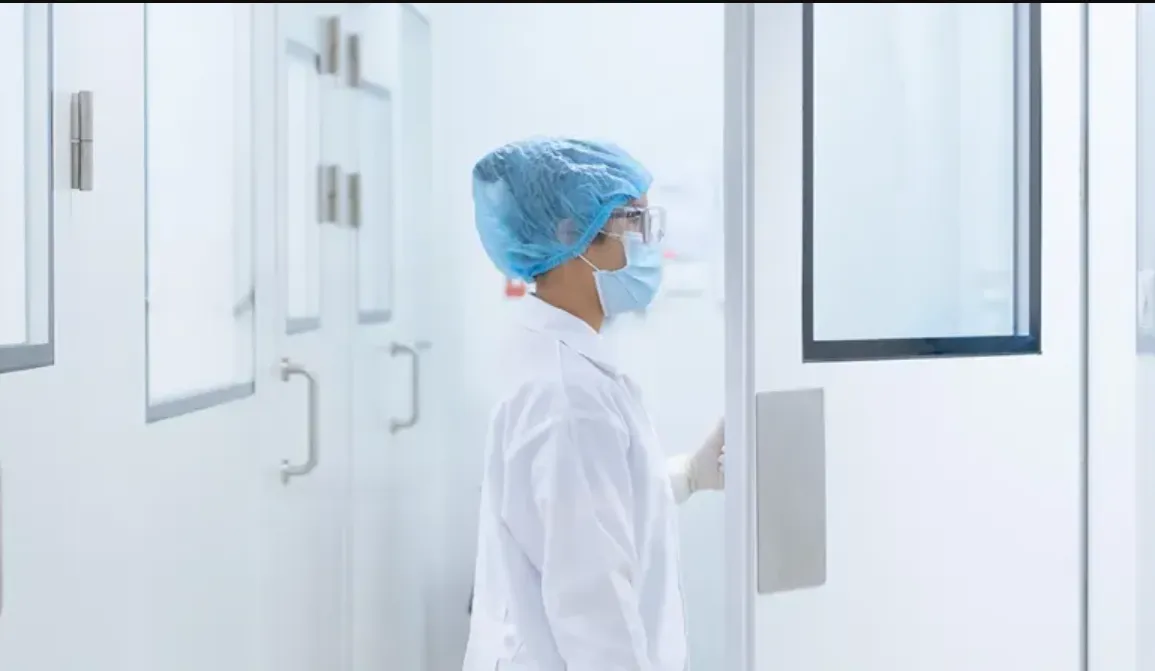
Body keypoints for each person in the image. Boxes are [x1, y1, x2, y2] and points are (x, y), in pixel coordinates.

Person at [462, 137, 725, 671]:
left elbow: (578, 516)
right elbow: (594, 615)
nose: (649, 248)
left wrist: (687, 476)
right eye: (636, 224)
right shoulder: (568, 397)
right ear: (572, 236)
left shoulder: (556, 363)